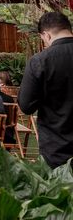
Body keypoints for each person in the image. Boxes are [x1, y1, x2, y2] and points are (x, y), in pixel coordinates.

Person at [19, 11, 73, 168]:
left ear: (47, 35)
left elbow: (26, 105)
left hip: (56, 149)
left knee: (59, 192)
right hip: (56, 146)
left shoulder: (40, 61)